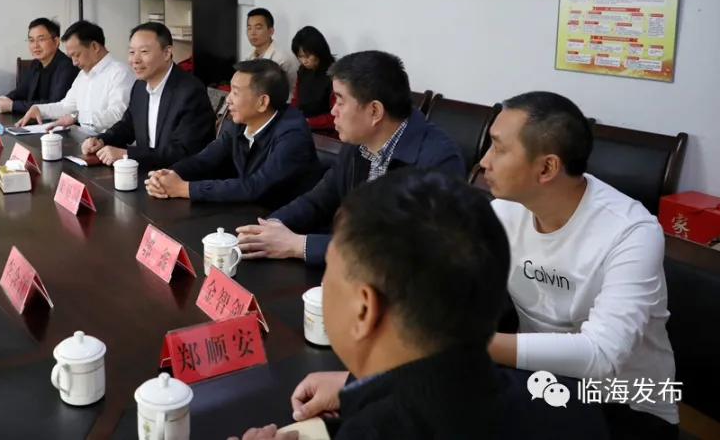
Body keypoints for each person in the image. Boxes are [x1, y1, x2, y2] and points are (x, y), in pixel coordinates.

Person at [230, 169, 609, 440]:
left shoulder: (370, 430)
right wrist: (359, 387)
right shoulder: (570, 407)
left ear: (364, 309)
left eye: (330, 271)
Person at [481, 91, 678, 438]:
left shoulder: (631, 231)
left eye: (498, 148)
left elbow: (601, 355)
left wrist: (472, 344)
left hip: (625, 401)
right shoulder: (504, 211)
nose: (484, 161)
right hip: (543, 384)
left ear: (547, 167)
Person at [238, 51, 464, 266]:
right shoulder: (358, 141)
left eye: (340, 101)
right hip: (346, 264)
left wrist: (299, 245)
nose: (333, 111)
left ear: (374, 111)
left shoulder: (439, 161)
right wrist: (270, 227)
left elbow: (404, 250)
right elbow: (318, 199)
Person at [145, 59, 323, 210]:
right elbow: (204, 159)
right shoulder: (242, 122)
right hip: (248, 212)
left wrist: (185, 188)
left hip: (287, 224)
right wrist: (168, 175)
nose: (228, 99)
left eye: (235, 92)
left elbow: (255, 186)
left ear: (262, 102)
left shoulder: (293, 134)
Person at [81, 22, 215, 169]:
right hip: (147, 173)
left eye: (144, 51)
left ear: (167, 53)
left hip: (179, 176)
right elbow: (127, 126)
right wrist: (101, 141)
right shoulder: (140, 86)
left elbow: (183, 152)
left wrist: (128, 155)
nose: (135, 60)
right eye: (132, 52)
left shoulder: (191, 92)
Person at [16, 20, 136, 131]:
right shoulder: (83, 75)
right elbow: (66, 106)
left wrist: (77, 116)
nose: (74, 62)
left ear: (94, 47)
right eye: (71, 57)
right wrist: (39, 109)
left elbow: (118, 115)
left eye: (76, 55)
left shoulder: (120, 73)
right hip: (84, 140)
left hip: (109, 144)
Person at [0, 18, 79, 117]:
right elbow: (21, 91)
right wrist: (3, 100)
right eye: (31, 40)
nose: (35, 45)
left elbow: (54, 104)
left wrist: (12, 106)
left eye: (41, 39)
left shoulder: (67, 67)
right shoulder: (36, 64)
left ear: (56, 41)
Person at [246, 8, 298, 100]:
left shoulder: (282, 58)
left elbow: (291, 91)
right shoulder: (248, 57)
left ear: (270, 31)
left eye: (258, 28)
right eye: (249, 28)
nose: (252, 33)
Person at [291, 26, 335, 130]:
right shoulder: (302, 71)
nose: (304, 61)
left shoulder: (334, 75)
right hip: (304, 126)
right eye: (300, 57)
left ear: (318, 51)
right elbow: (295, 100)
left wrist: (309, 122)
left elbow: (336, 116)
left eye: (307, 56)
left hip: (326, 132)